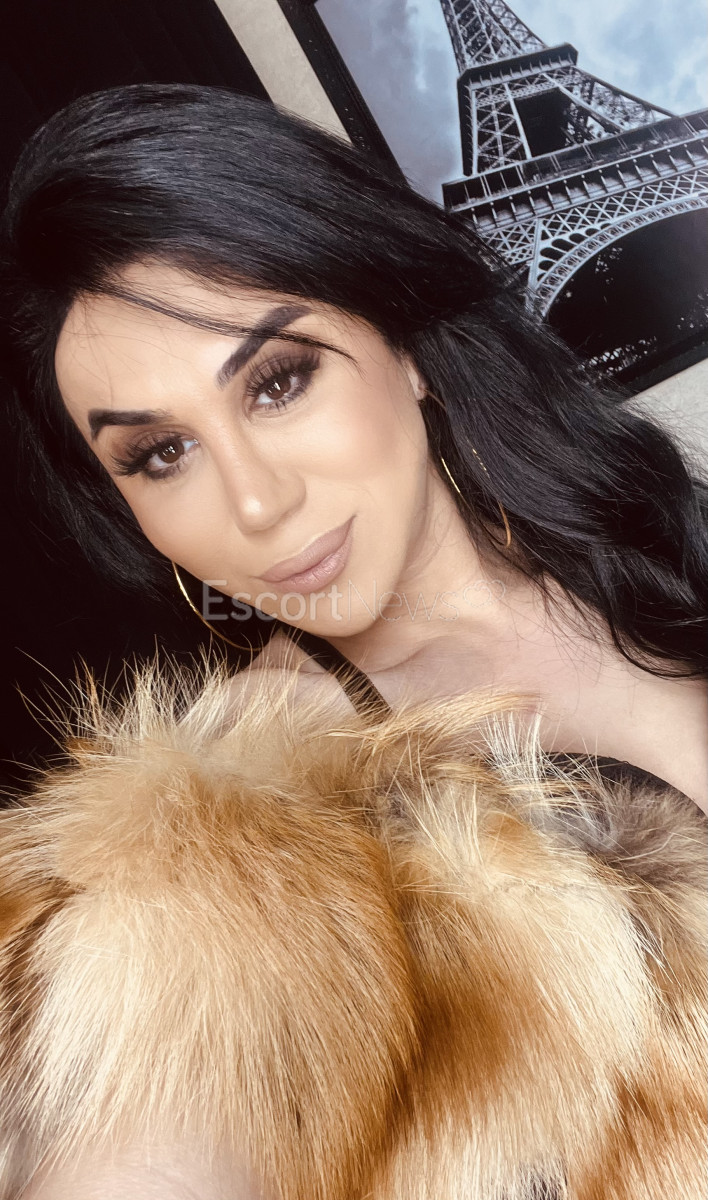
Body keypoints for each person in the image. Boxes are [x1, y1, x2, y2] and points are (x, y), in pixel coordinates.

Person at [0, 83, 706, 1198]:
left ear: (403, 345)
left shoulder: (643, 541)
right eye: (161, 455)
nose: (257, 501)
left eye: (278, 381)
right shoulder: (241, 805)